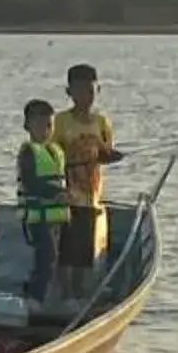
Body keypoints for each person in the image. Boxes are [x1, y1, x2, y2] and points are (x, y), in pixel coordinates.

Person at [51, 61, 122, 302]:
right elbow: (50, 152)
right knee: (64, 250)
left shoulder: (102, 122)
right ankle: (64, 292)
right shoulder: (59, 121)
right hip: (64, 194)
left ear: (98, 91)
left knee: (83, 250)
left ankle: (78, 292)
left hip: (90, 195)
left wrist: (113, 157)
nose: (86, 97)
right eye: (80, 91)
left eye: (91, 91)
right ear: (69, 92)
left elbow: (105, 153)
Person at [15, 98, 67, 305]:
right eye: (39, 125)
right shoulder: (28, 152)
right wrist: (56, 193)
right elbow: (31, 182)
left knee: (51, 259)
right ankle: (34, 299)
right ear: (27, 125)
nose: (45, 130)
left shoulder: (55, 150)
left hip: (55, 216)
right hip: (37, 217)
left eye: (49, 125)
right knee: (46, 258)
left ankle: (37, 295)